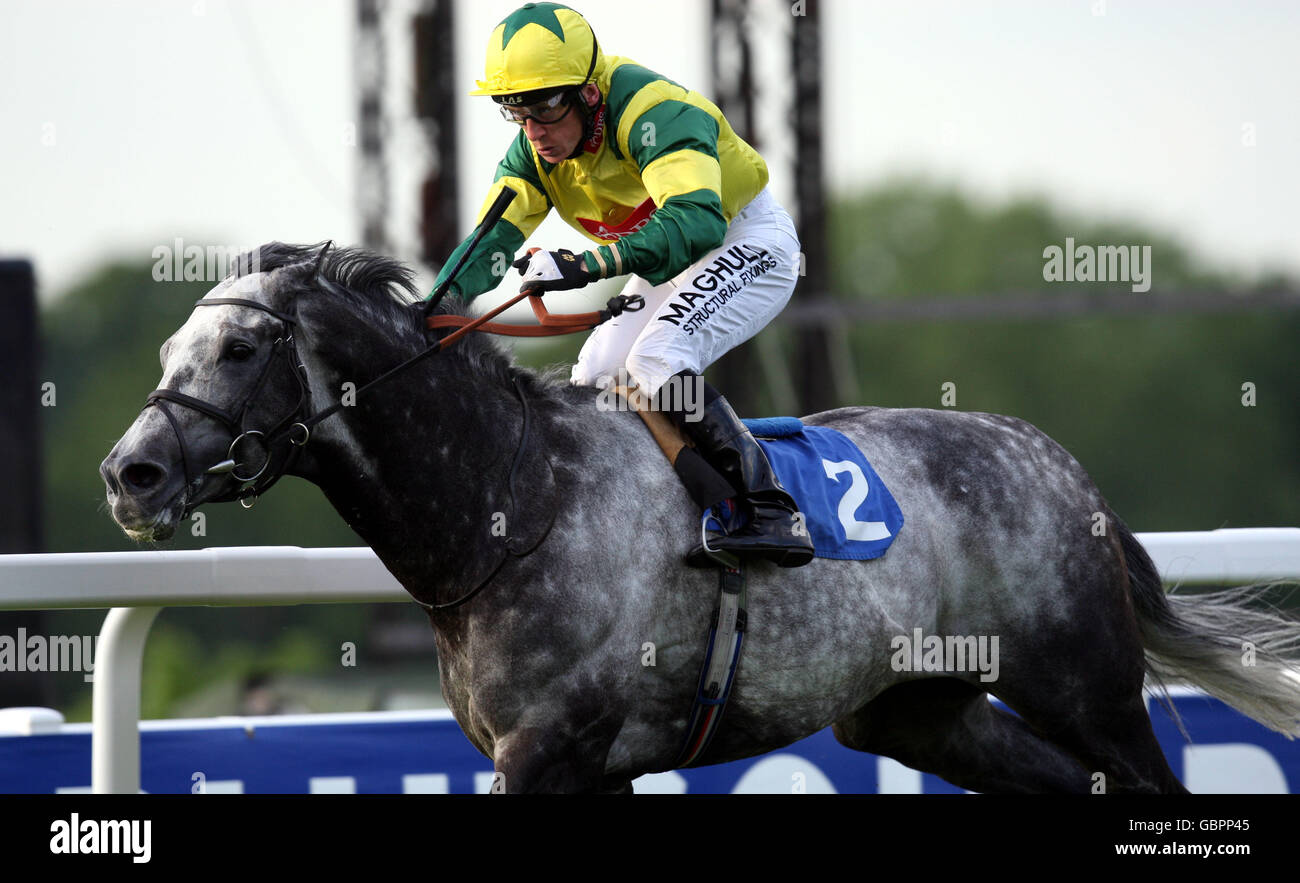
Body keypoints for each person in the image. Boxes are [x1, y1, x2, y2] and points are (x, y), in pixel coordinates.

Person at [431, 2, 812, 568]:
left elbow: (697, 222)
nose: (535, 131)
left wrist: (587, 265)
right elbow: (489, 243)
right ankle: (683, 505)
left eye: (545, 107)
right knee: (597, 379)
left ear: (589, 92)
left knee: (657, 358)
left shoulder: (654, 111)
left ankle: (771, 511)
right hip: (680, 260)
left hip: (749, 240)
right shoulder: (533, 154)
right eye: (516, 112)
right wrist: (429, 312)